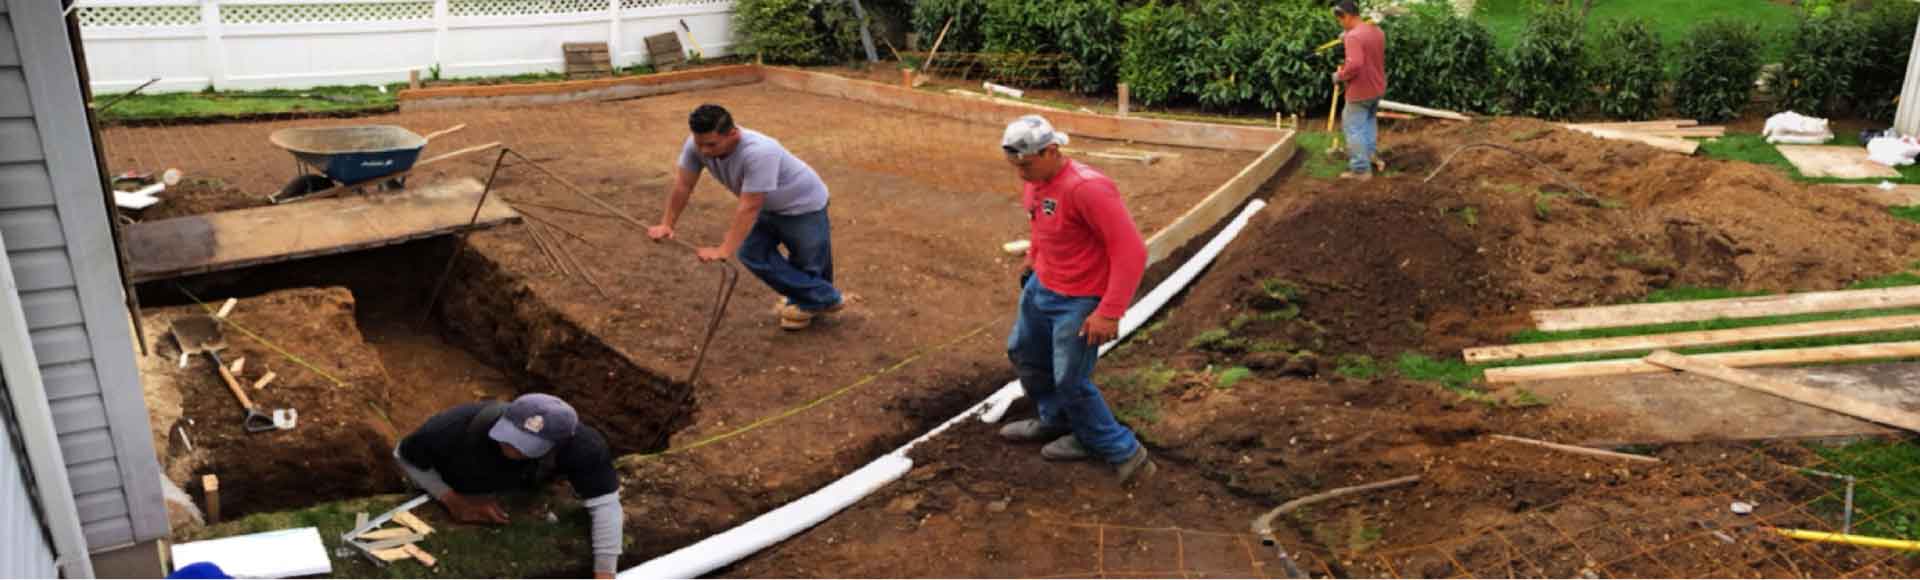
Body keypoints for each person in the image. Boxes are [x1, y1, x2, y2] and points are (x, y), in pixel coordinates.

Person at [994, 115, 1155, 485]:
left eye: (1026, 163)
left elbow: (1131, 251)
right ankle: (1057, 420)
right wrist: (1034, 257)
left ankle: (1123, 451)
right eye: (1014, 165)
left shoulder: (1088, 189)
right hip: (1043, 286)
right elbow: (1040, 223)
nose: (1020, 173)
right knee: (1025, 354)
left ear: (1051, 151)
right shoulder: (1036, 181)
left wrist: (1110, 312)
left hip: (1080, 299)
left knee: (1071, 379)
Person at [648, 104, 845, 331]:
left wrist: (723, 249)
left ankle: (812, 300)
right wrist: (667, 224)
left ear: (733, 133)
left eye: (711, 144)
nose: (704, 151)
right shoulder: (697, 145)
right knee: (752, 253)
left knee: (808, 262)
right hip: (768, 207)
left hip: (803, 205)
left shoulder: (759, 151)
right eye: (699, 143)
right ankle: (822, 298)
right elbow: (684, 185)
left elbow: (750, 206)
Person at [395, 394, 622, 578]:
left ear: (558, 445)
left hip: (522, 481)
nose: (511, 448)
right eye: (509, 436)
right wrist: (450, 499)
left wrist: (605, 573)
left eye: (525, 446)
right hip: (452, 478)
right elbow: (404, 455)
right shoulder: (452, 427)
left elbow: (606, 505)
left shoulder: (584, 448)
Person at [1333, 0, 1387, 180]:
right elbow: (1368, 49)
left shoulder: (1353, 37)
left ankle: (1360, 170)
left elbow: (1355, 64)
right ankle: (1370, 155)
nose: (1341, 24)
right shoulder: (1376, 31)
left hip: (1360, 90)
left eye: (1340, 20)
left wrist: (1339, 76)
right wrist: (1348, 34)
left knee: (1353, 127)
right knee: (1369, 122)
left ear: (1346, 16)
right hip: (1377, 87)